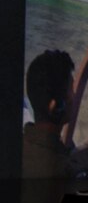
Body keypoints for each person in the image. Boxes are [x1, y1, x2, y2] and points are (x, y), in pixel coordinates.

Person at [22, 49, 75, 179]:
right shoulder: (61, 169)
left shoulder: (17, 149)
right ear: (58, 105)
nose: (74, 97)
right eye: (71, 90)